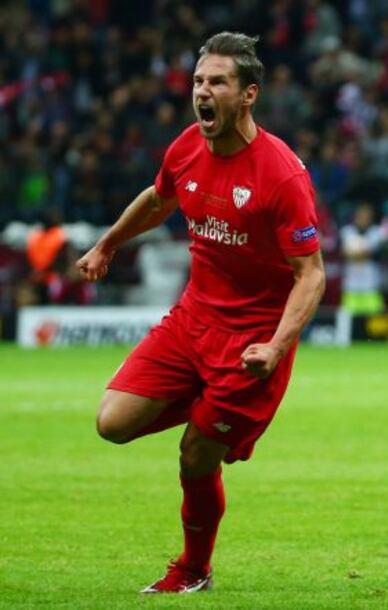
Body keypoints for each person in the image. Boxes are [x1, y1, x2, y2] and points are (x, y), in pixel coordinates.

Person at [76, 32, 325, 594]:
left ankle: (194, 569)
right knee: (112, 423)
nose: (202, 92)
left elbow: (311, 273)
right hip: (192, 323)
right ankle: (207, 404)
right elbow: (160, 198)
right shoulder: (188, 145)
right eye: (198, 81)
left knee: (195, 457)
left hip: (251, 343)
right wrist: (108, 243)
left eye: (217, 82)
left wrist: (277, 346)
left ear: (248, 95)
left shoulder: (282, 176)